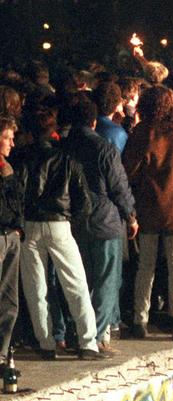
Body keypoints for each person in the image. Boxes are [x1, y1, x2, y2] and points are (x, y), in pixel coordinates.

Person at [17, 108, 101, 359]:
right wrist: (71, 220)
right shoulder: (67, 160)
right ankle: (88, 342)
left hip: (30, 225)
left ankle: (46, 343)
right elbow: (85, 202)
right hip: (59, 224)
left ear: (30, 133)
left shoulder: (22, 158)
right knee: (76, 284)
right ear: (53, 131)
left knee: (36, 288)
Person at [123, 85, 173, 340]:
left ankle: (139, 319)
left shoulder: (143, 132)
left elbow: (129, 168)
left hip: (149, 207)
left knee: (146, 265)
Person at [62, 94, 138, 354]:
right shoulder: (104, 148)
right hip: (105, 220)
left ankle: (77, 330)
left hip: (73, 220)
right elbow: (119, 186)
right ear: (94, 121)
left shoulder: (65, 147)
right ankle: (96, 335)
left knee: (80, 280)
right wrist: (130, 215)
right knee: (107, 279)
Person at [0, 116, 23, 365]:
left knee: (9, 300)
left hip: (11, 236)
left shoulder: (8, 168)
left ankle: (2, 353)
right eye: (7, 138)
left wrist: (19, 228)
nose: (12, 143)